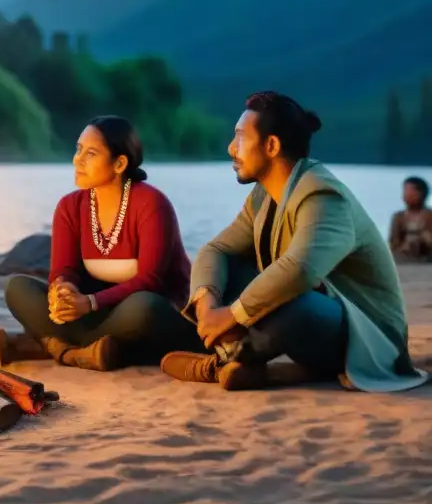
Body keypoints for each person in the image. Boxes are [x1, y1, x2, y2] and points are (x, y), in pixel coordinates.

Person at [162, 91, 428, 392]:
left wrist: (231, 315)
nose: (230, 148)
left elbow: (301, 269)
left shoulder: (323, 195)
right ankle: (249, 366)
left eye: (239, 138)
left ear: (271, 145)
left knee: (291, 298)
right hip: (316, 327)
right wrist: (208, 306)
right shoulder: (263, 196)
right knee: (231, 269)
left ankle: (222, 362)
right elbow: (216, 249)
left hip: (368, 339)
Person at [5, 116, 202, 370]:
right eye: (78, 149)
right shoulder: (69, 206)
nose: (78, 159)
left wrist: (89, 303)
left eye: (91, 153)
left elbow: (151, 280)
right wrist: (62, 291)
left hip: (145, 315)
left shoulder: (151, 204)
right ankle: (94, 350)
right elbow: (64, 270)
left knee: (143, 306)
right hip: (93, 317)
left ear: (120, 163)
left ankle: (66, 349)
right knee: (17, 288)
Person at [388, 176, 432, 262]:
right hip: (403, 259)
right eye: (405, 191)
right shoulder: (398, 217)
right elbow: (394, 243)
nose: (405, 194)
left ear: (421, 194)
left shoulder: (429, 216)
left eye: (409, 191)